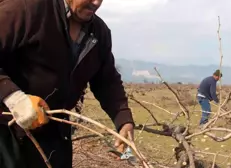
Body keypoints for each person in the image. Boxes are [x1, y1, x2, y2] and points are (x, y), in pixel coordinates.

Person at [0, 0, 135, 168]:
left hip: (55, 138)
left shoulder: (99, 33)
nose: (96, 2)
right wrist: (13, 97)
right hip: (7, 134)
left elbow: (107, 81)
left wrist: (123, 120)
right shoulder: (25, 9)